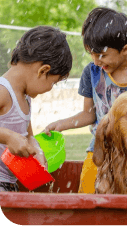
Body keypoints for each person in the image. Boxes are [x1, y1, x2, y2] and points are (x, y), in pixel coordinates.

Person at [44, 7, 127, 194]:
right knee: (87, 197)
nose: (96, 61)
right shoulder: (92, 72)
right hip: (98, 151)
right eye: (92, 54)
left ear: (125, 49)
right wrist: (61, 124)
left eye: (102, 55)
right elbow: (88, 115)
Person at [0, 26, 73, 192]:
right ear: (43, 70)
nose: (50, 88)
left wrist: (38, 151)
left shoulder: (25, 98)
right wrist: (8, 136)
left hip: (9, 184)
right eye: (53, 83)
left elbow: (29, 136)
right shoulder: (3, 91)